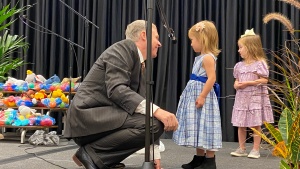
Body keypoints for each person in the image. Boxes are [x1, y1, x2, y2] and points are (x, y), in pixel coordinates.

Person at [63, 20, 178, 169]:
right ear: (144, 35)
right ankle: (92, 155)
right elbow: (117, 89)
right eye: (156, 37)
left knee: (153, 122)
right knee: (153, 123)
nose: (160, 43)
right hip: (87, 119)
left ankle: (103, 158)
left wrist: (153, 155)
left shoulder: (138, 62)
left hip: (102, 119)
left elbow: (142, 105)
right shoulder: (123, 48)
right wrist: (158, 111)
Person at [172, 20, 222, 169]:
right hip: (195, 93)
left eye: (192, 40)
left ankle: (210, 160)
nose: (191, 43)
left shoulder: (207, 57)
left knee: (206, 125)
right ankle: (199, 158)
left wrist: (202, 96)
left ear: (202, 40)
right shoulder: (201, 57)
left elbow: (211, 78)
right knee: (199, 125)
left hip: (202, 95)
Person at [230, 28, 274, 159]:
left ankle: (255, 149)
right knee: (241, 124)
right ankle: (242, 148)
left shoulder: (260, 64)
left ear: (250, 48)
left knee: (255, 124)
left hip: (254, 98)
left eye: (241, 47)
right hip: (242, 98)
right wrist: (237, 84)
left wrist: (248, 83)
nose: (239, 50)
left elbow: (264, 80)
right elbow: (236, 81)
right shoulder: (239, 66)